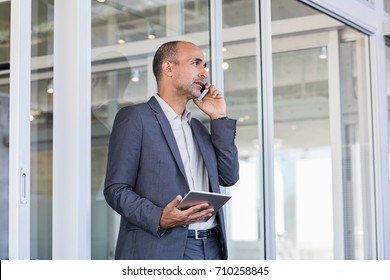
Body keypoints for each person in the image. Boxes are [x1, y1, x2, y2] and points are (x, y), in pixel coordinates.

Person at [104, 40, 239, 260]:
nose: (204, 72)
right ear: (168, 68)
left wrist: (219, 117)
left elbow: (229, 177)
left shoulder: (198, 128)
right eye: (196, 63)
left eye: (205, 65)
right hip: (163, 249)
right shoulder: (136, 118)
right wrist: (159, 217)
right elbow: (116, 190)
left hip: (212, 247)